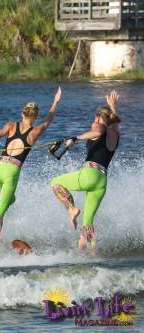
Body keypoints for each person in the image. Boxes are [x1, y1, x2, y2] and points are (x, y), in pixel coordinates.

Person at [0, 87, 62, 244]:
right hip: (11, 172)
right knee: (1, 214)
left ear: (22, 114)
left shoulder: (11, 126)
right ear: (35, 116)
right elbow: (49, 119)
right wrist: (56, 101)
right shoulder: (35, 132)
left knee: (11, 199)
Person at [51, 90, 120, 252]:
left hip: (89, 174)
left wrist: (75, 139)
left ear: (98, 117)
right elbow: (114, 123)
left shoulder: (98, 125)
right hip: (102, 181)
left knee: (55, 183)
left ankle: (71, 209)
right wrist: (113, 106)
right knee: (87, 222)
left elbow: (96, 131)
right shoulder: (114, 132)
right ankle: (91, 254)